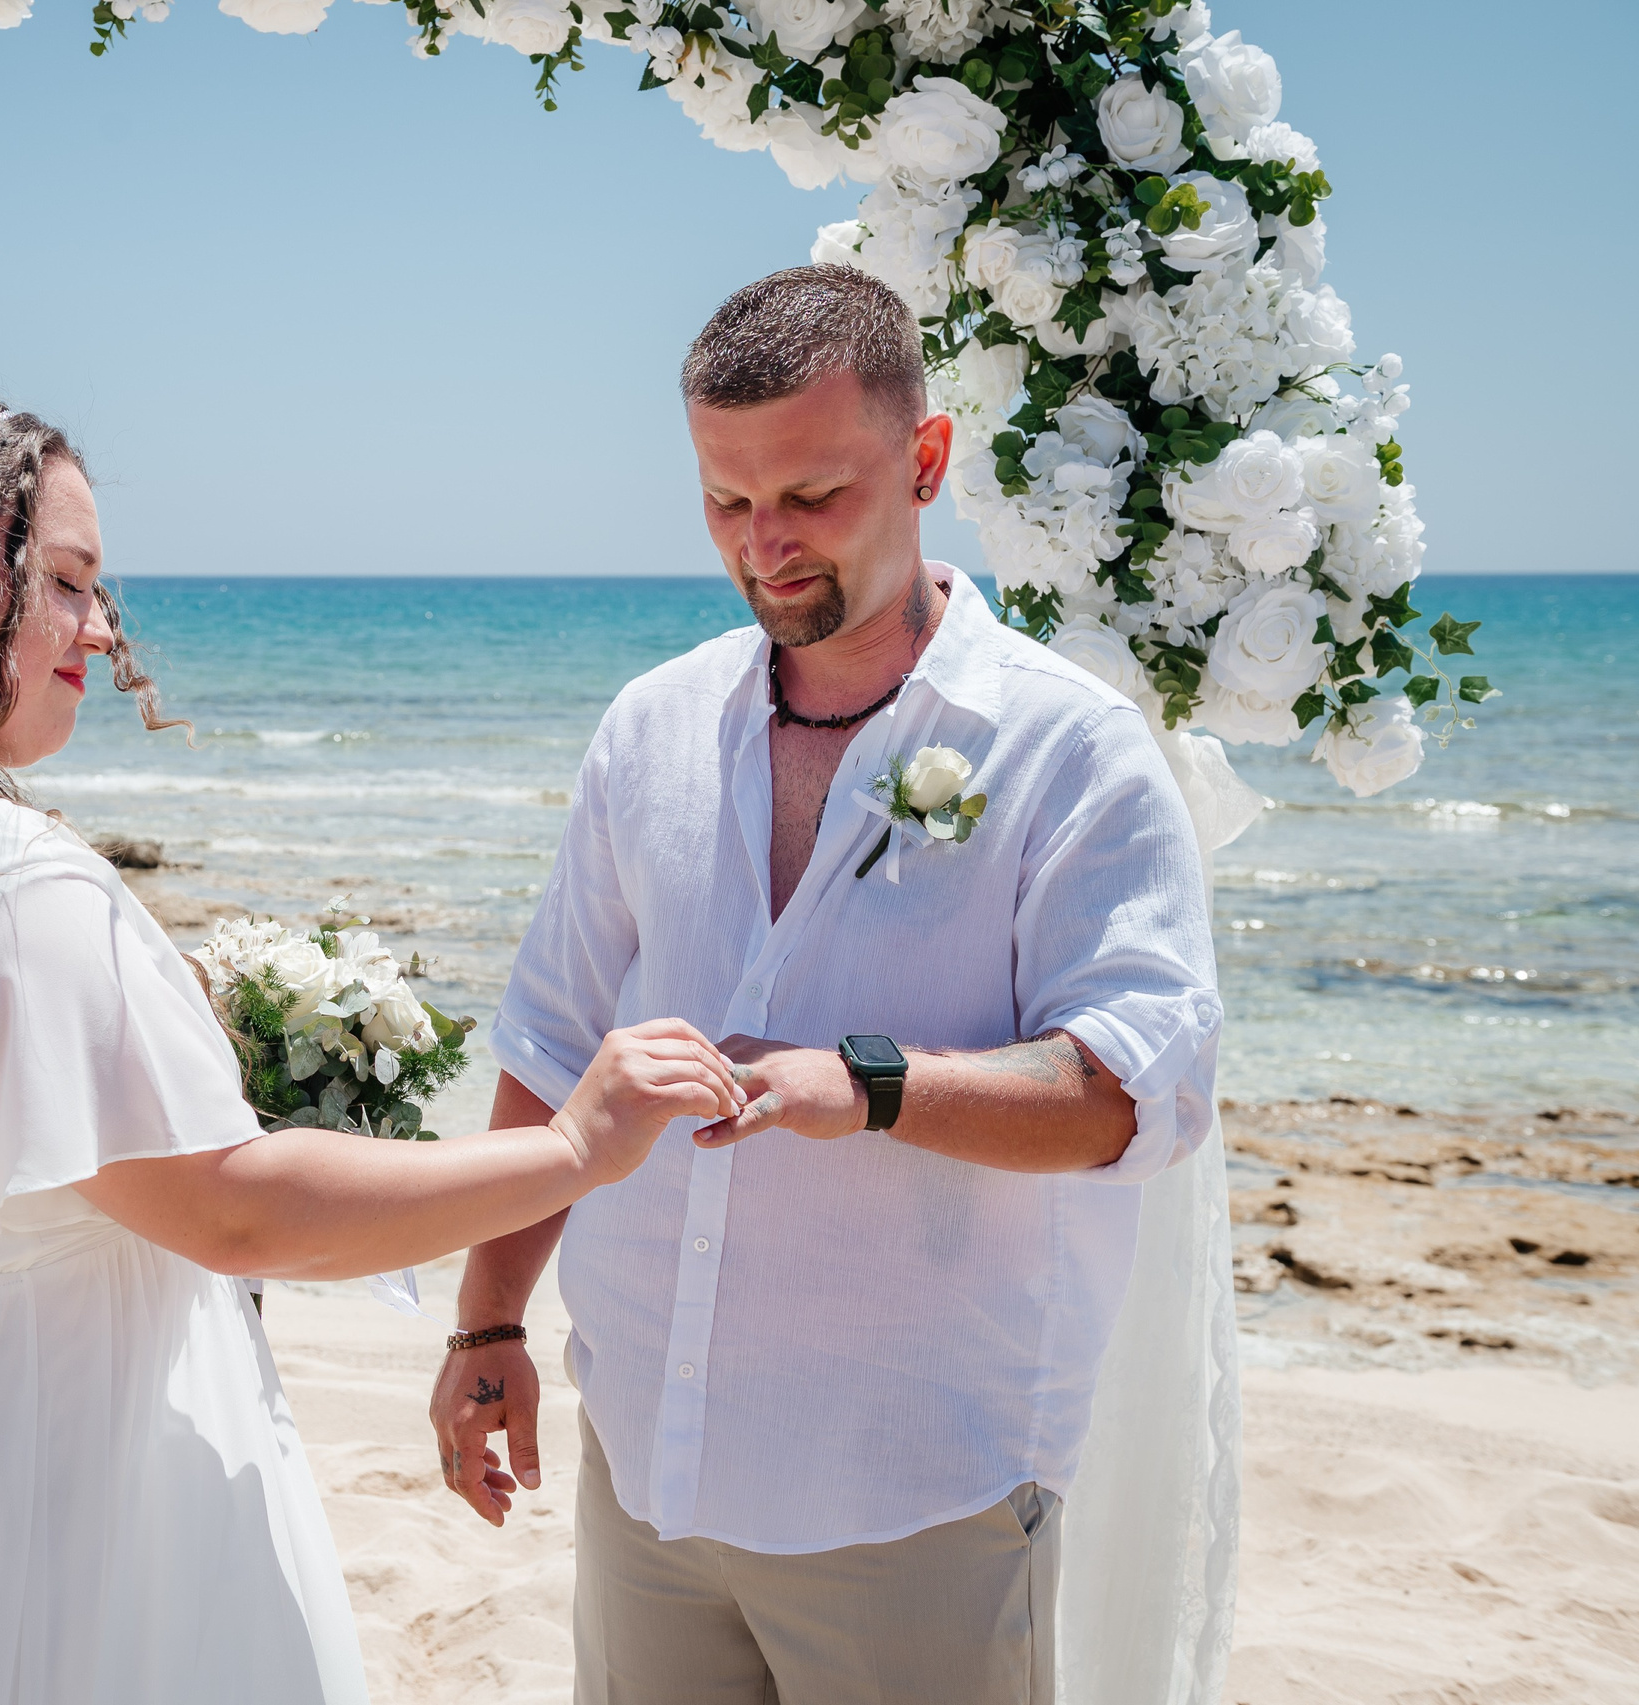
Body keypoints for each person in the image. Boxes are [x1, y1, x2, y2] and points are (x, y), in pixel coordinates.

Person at [0, 390, 745, 1704]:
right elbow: (239, 1215)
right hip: (24, 1555)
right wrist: (577, 1145)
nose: (103, 628)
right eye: (66, 583)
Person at [427, 266, 1222, 1704]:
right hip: (649, 1476)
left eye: (810, 495)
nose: (764, 544)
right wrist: (488, 1321)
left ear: (926, 462)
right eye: (727, 502)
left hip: (920, 1496)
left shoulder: (1072, 749)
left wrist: (867, 1086)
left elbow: (1130, 1091)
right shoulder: (650, 724)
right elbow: (552, 1034)